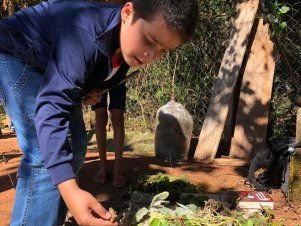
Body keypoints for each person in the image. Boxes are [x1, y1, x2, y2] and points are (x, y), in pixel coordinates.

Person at [0, 0, 199, 225]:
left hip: (48, 61)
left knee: (75, 148)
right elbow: (51, 107)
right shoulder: (84, 34)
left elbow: (77, 74)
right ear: (127, 12)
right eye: (149, 40)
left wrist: (85, 93)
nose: (151, 55)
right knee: (43, 155)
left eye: (163, 50)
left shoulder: (122, 44)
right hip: (18, 54)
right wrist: (71, 191)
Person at [92, 79, 128, 188]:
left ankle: (118, 168)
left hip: (118, 74)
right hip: (98, 74)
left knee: (118, 116)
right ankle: (103, 166)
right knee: (100, 116)